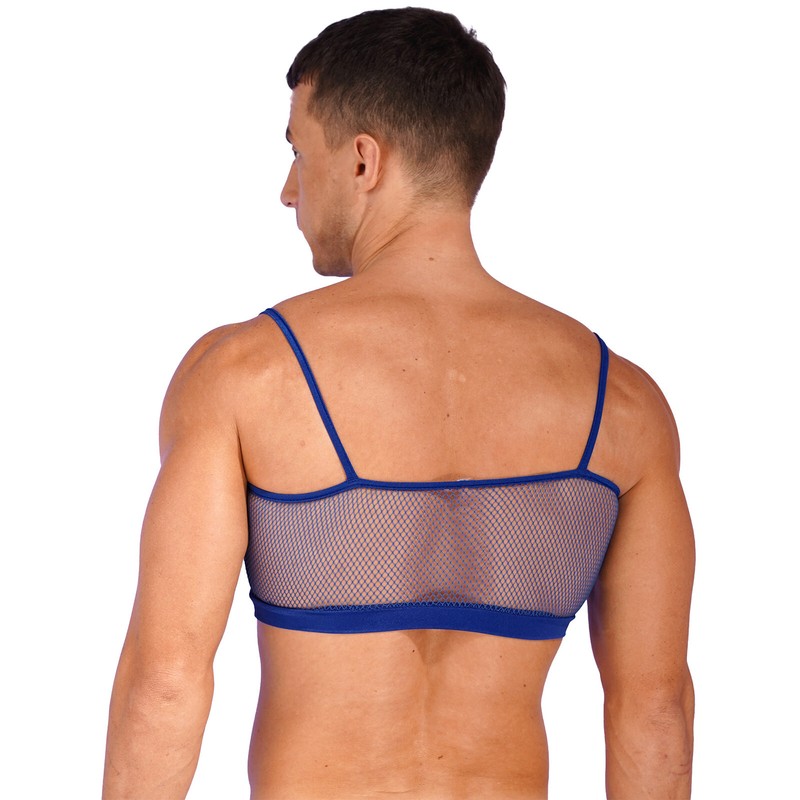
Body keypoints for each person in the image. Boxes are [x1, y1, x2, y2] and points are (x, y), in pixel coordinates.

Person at [103, 8, 694, 799]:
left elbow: (166, 684)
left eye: (297, 152)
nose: (288, 191)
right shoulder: (621, 403)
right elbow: (653, 710)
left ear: (363, 160)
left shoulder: (245, 374)